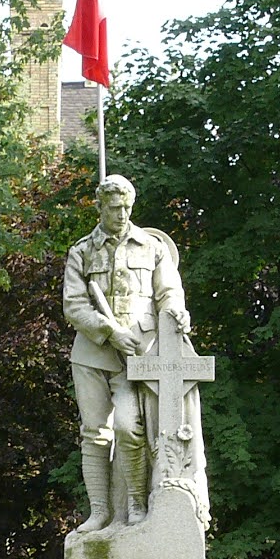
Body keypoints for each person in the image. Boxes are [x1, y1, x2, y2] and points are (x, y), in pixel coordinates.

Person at [61, 173, 189, 530]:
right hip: (93, 353)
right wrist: (109, 332)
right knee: (94, 432)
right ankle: (99, 511)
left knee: (129, 427)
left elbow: (168, 292)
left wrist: (177, 311)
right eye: (115, 208)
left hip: (138, 354)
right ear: (100, 207)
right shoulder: (82, 251)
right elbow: (74, 305)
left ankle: (135, 503)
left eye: (127, 208)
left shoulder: (152, 247)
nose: (122, 215)